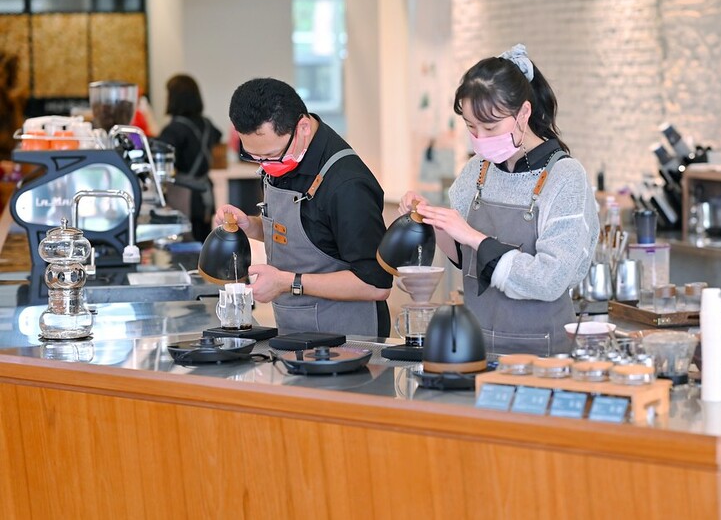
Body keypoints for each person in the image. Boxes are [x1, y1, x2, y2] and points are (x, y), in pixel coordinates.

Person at [399, 44, 599, 355]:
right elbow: (465, 259)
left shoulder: (565, 177)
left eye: (490, 126)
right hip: (476, 347)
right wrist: (430, 218)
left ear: (524, 114)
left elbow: (551, 280)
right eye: (471, 127)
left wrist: (474, 237)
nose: (480, 138)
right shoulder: (476, 171)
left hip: (543, 356)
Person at [215, 78, 392, 336]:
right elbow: (310, 235)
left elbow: (376, 285)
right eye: (255, 157)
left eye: (272, 156)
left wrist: (288, 283)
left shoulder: (347, 184)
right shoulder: (286, 155)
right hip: (296, 336)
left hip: (350, 343)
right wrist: (251, 226)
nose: (265, 165)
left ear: (303, 128)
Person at [157, 74, 222, 242]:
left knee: (185, 244)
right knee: (204, 240)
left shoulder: (174, 129)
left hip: (184, 194)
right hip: (205, 191)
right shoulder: (207, 123)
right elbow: (218, 136)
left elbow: (159, 152)